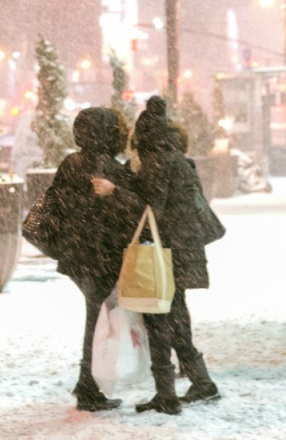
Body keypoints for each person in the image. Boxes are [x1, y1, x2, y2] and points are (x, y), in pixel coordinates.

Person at [93, 96, 221, 414]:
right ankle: (200, 383)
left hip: (167, 253)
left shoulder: (157, 161)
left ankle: (167, 394)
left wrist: (114, 191)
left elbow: (150, 207)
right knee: (174, 317)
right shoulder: (173, 156)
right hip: (182, 250)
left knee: (160, 319)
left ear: (143, 135)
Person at [47, 106, 142, 412]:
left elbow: (56, 204)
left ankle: (86, 381)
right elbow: (130, 213)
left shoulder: (70, 163)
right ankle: (89, 388)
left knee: (95, 315)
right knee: (99, 320)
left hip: (77, 254)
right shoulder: (111, 168)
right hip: (102, 255)